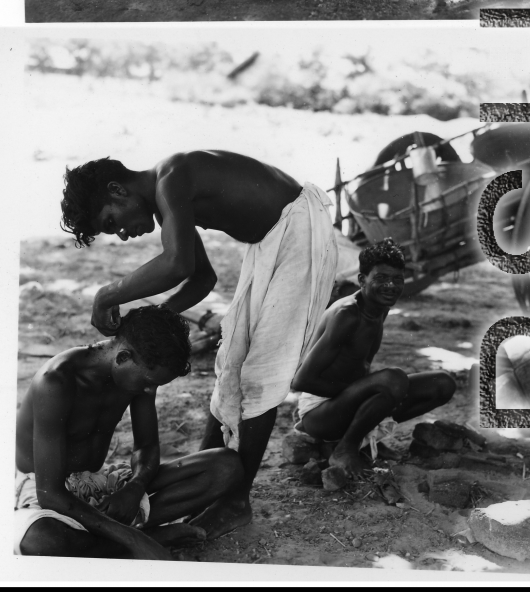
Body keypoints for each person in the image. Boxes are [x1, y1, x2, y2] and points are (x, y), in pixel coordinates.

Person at [59, 150, 338, 527]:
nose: (123, 234)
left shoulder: (172, 177)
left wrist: (108, 294)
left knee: (261, 376)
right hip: (272, 240)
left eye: (113, 221)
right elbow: (203, 278)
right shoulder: (166, 202)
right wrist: (160, 318)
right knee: (231, 360)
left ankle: (236, 502)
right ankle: (210, 470)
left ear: (118, 189)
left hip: (300, 227)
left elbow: (178, 264)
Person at [15, 305, 241, 558]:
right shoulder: (56, 381)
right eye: (148, 382)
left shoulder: (142, 373)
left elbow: (146, 446)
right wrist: (133, 539)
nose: (149, 389)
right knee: (41, 541)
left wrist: (134, 487)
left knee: (226, 466)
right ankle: (143, 538)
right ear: (122, 357)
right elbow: (50, 494)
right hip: (45, 490)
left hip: (100, 484)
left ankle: (101, 542)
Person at [291, 239, 456, 484]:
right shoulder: (346, 315)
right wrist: (361, 394)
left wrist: (365, 394)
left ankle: (365, 441)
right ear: (361, 280)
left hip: (349, 403)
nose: (390, 286)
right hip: (320, 413)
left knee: (442, 384)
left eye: (397, 280)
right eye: (381, 278)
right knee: (394, 379)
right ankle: (346, 448)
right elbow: (300, 381)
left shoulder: (380, 306)